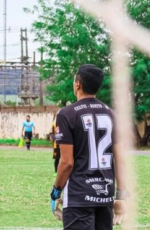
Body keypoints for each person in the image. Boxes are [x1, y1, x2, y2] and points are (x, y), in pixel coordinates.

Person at [50, 64, 127, 229]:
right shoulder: (111, 114)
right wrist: (121, 196)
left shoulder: (67, 113)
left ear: (77, 84)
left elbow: (67, 162)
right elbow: (121, 160)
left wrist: (56, 191)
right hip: (105, 196)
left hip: (79, 196)